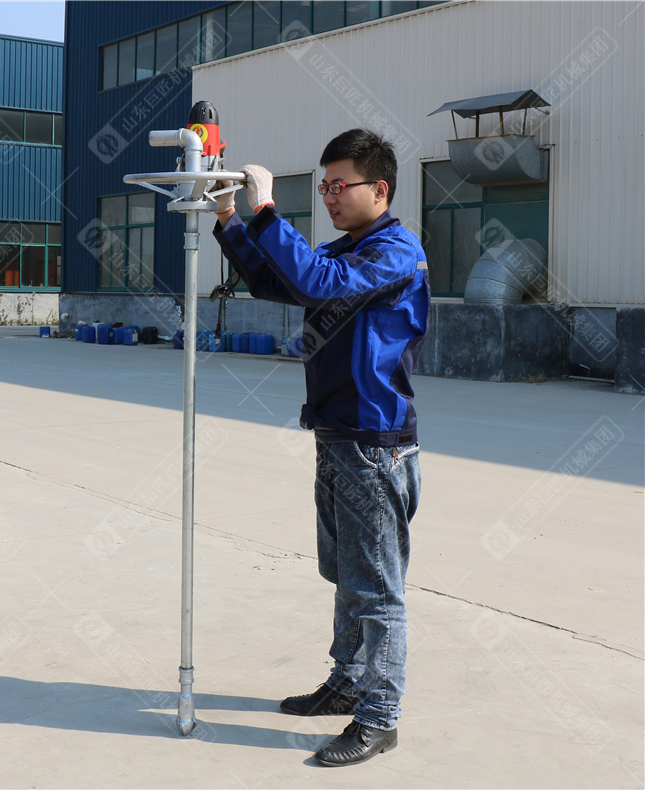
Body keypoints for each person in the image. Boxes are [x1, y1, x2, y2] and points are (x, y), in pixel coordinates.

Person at [211, 128, 430, 767]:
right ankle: (347, 681)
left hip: (374, 444)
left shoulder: (396, 252)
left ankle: (380, 718)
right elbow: (276, 280)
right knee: (346, 575)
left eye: (340, 185)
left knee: (376, 590)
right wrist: (229, 219)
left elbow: (314, 282)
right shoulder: (346, 251)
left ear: (379, 189)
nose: (329, 196)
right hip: (337, 436)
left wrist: (267, 210)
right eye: (324, 186)